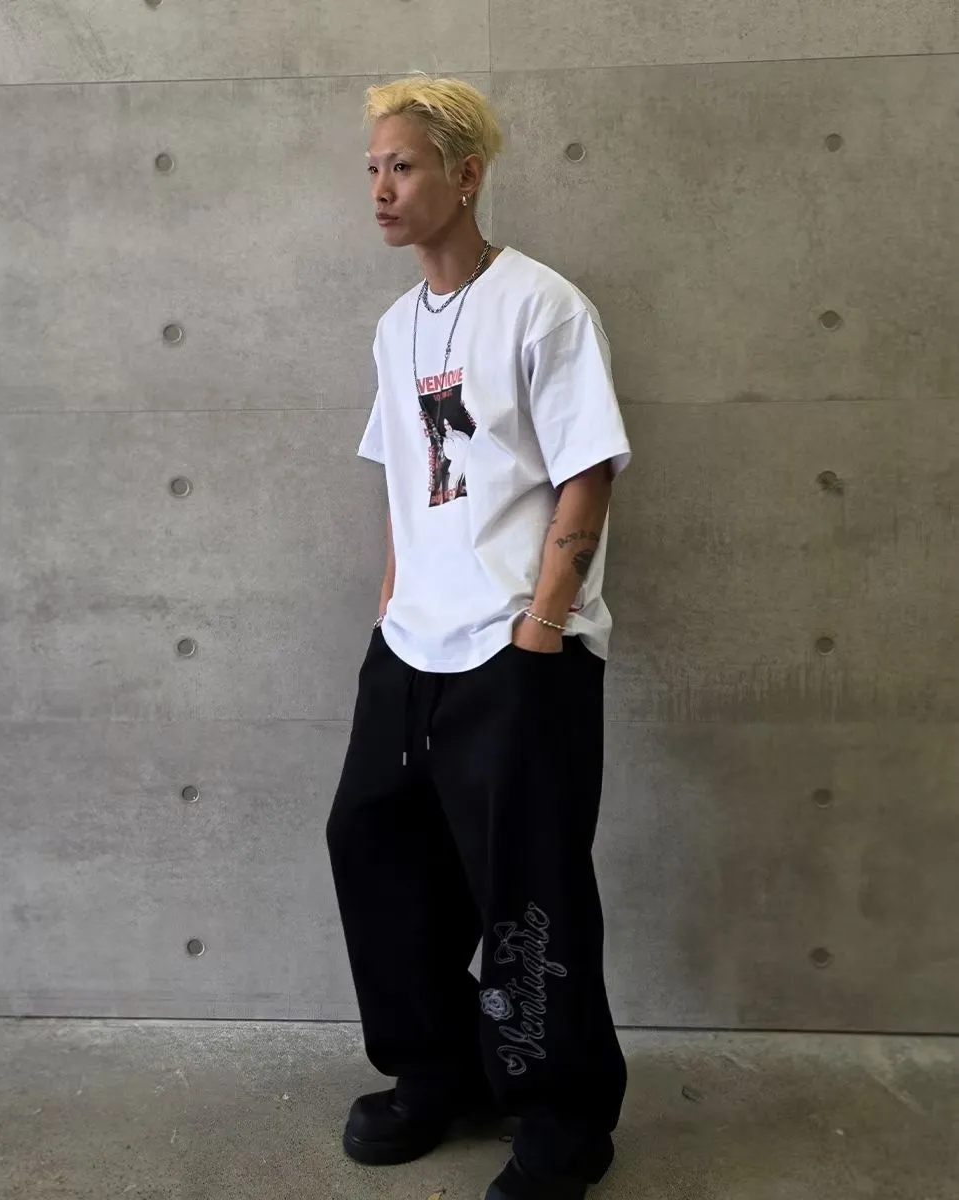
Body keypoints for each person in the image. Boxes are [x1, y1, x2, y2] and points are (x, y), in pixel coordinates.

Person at [325, 75, 631, 1200]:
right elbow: (406, 482)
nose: (380, 188)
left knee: (528, 889)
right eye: (371, 167)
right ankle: (438, 1070)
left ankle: (562, 1115)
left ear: (465, 176)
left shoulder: (543, 307)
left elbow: (587, 472)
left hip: (517, 649)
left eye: (401, 166)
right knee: (374, 850)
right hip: (410, 647)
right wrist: (389, 608)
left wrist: (542, 629)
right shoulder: (394, 328)